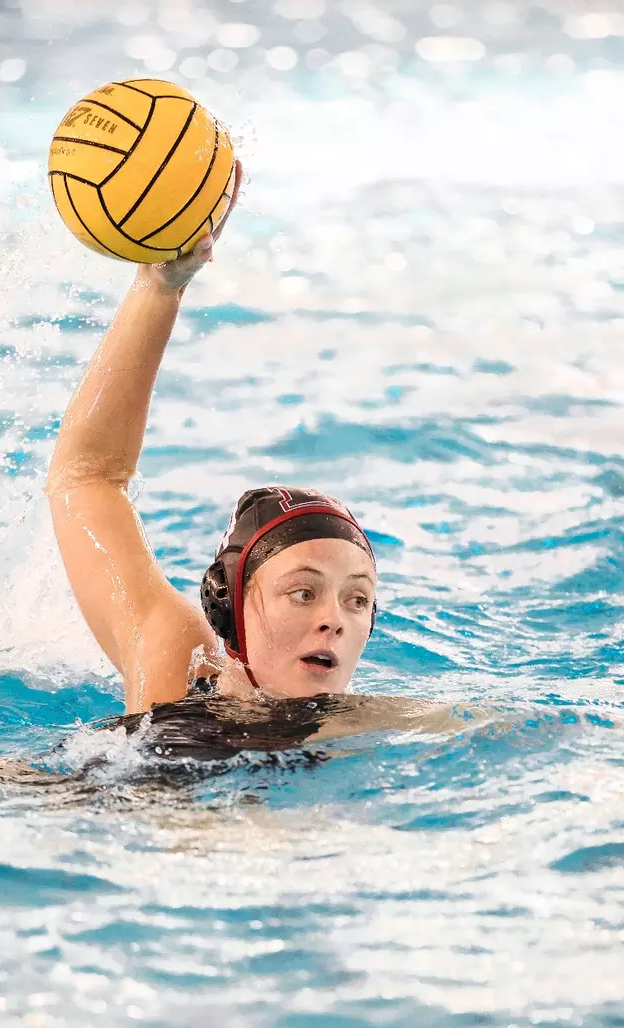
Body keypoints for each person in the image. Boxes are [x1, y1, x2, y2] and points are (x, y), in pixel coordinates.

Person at [46, 164, 473, 749]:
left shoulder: (374, 724)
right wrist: (159, 290)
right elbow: (86, 478)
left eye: (357, 600)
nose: (334, 619)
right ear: (229, 611)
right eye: (303, 591)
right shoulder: (176, 667)